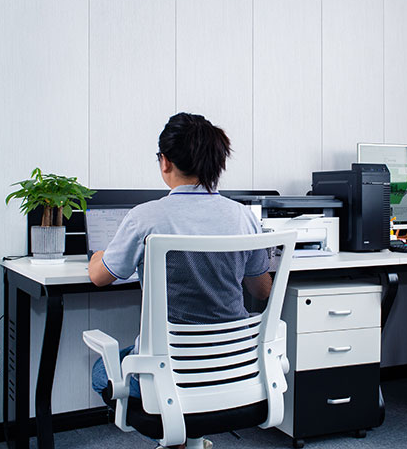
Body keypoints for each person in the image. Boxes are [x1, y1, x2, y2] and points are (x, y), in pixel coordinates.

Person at [89, 113, 272, 449]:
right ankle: (186, 440)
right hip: (232, 368)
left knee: (103, 370)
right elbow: (261, 290)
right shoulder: (243, 216)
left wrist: (98, 256)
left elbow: (100, 277)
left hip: (168, 375)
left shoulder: (146, 217)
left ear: (165, 161)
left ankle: (175, 441)